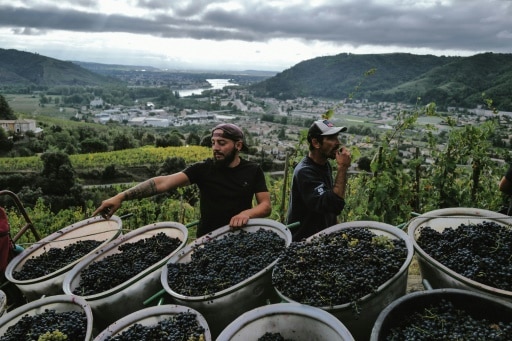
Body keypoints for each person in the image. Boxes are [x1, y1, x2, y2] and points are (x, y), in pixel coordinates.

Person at [93, 123, 272, 237]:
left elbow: (265, 206)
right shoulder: (202, 169)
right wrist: (121, 197)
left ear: (238, 146)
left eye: (222, 143)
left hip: (241, 235)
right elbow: (162, 183)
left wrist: (246, 214)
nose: (215, 148)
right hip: (207, 238)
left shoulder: (253, 170)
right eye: (213, 142)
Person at [286, 119, 351, 241]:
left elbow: (328, 203)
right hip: (304, 242)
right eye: (331, 138)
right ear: (316, 142)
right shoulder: (305, 172)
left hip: (321, 238)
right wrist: (343, 168)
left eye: (337, 137)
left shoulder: (324, 165)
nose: (338, 142)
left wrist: (336, 228)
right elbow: (332, 205)